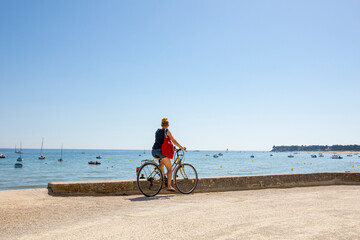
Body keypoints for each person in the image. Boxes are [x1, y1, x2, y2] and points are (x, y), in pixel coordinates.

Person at [152, 118, 186, 191]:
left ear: (161, 124)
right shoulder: (166, 131)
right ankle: (169, 186)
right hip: (160, 151)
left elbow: (160, 141)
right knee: (170, 170)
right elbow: (174, 141)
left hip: (154, 151)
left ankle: (162, 177)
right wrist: (181, 147)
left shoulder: (157, 131)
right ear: (168, 125)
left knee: (162, 162)